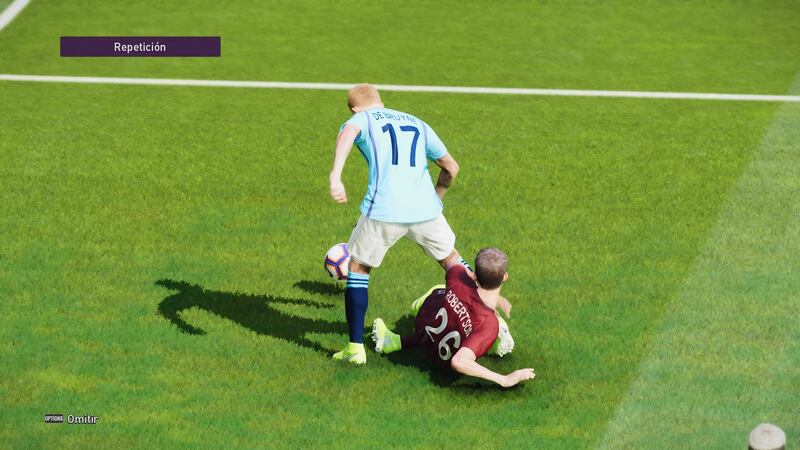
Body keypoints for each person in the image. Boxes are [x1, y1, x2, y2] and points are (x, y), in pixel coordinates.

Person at [328, 84, 470, 364]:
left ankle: (355, 349)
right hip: (426, 210)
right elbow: (451, 168)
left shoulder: (361, 119)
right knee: (453, 261)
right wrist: (436, 197)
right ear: (381, 102)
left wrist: (335, 177)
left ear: (355, 109)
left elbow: (349, 133)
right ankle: (490, 321)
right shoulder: (417, 122)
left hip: (384, 209)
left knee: (358, 269)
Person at [372, 248, 535, 388]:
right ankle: (497, 340)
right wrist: (504, 379)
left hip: (424, 329)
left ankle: (395, 340)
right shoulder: (489, 323)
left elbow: (449, 256)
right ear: (505, 276)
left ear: (474, 274)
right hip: (444, 363)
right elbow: (459, 362)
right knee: (491, 325)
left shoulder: (458, 276)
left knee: (440, 291)